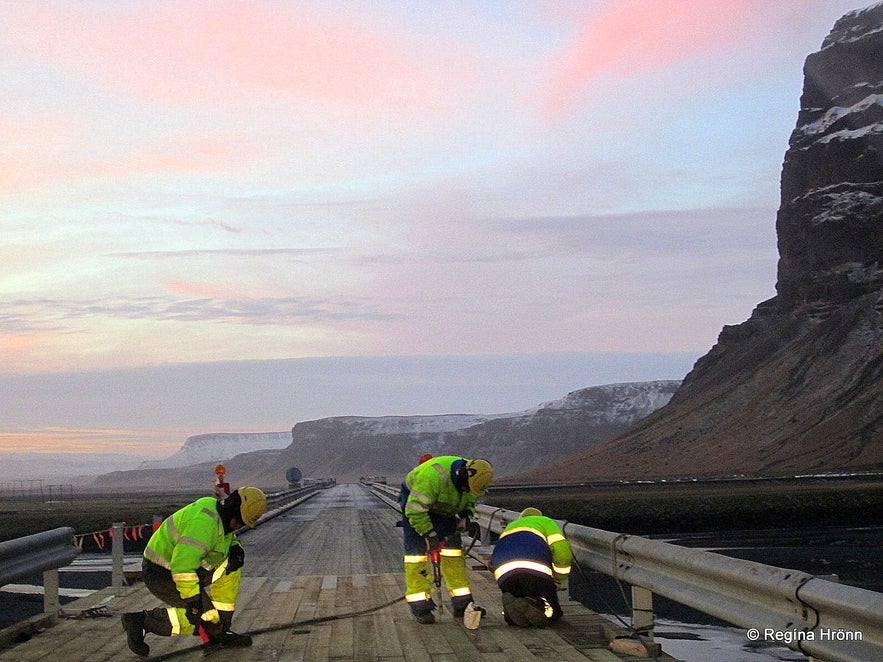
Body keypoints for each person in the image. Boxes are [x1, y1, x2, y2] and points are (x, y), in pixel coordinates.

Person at [121, 487, 267, 657]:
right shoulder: (203, 524)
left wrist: (235, 548)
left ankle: (222, 631)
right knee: (205, 617)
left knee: (232, 563)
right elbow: (182, 567)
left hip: (186, 568)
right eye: (239, 522)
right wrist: (194, 601)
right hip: (161, 573)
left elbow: (223, 539)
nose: (238, 527)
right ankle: (142, 621)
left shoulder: (221, 516)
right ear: (233, 510)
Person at [399, 456, 493, 624]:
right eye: (466, 488)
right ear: (463, 476)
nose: (467, 491)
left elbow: (469, 500)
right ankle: (420, 605)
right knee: (416, 555)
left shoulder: (473, 483)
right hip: (416, 505)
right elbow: (415, 511)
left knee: (453, 554)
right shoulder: (432, 479)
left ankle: (463, 603)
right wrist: (429, 534)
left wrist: (466, 515)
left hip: (445, 508)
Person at [490, 507, 572, 627]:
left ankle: (513, 610)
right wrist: (558, 579)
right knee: (554, 614)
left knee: (519, 595)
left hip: (503, 573)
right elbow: (563, 552)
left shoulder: (511, 526)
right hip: (534, 569)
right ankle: (536, 603)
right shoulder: (545, 521)